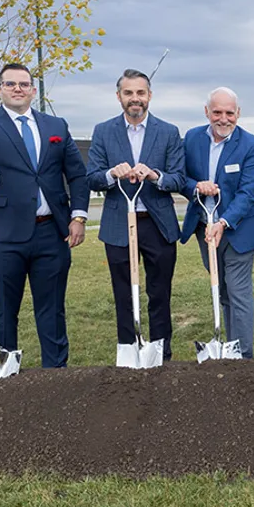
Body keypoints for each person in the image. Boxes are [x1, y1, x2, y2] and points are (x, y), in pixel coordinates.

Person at [0, 62, 89, 367]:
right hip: (2, 234)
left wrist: (78, 216)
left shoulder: (56, 126)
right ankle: (5, 373)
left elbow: (77, 175)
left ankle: (55, 376)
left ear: (32, 90)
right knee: (3, 310)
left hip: (52, 233)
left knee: (52, 310)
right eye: (10, 84)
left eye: (24, 84)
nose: (18, 89)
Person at [86, 69, 185, 360]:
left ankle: (161, 354)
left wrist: (155, 176)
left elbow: (179, 178)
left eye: (140, 93)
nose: (135, 99)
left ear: (149, 96)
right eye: (128, 93)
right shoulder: (104, 131)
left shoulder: (168, 132)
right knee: (124, 294)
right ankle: (130, 353)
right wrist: (109, 175)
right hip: (118, 225)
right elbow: (91, 177)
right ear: (119, 97)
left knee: (159, 293)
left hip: (157, 225)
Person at [180, 87, 254, 358]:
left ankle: (242, 357)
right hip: (204, 229)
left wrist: (224, 222)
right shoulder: (192, 139)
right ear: (207, 112)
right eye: (217, 112)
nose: (223, 118)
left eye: (229, 113)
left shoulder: (251, 145)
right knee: (223, 291)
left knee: (238, 292)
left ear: (238, 113)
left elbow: (248, 193)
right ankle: (228, 348)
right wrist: (197, 187)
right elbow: (181, 179)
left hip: (238, 230)